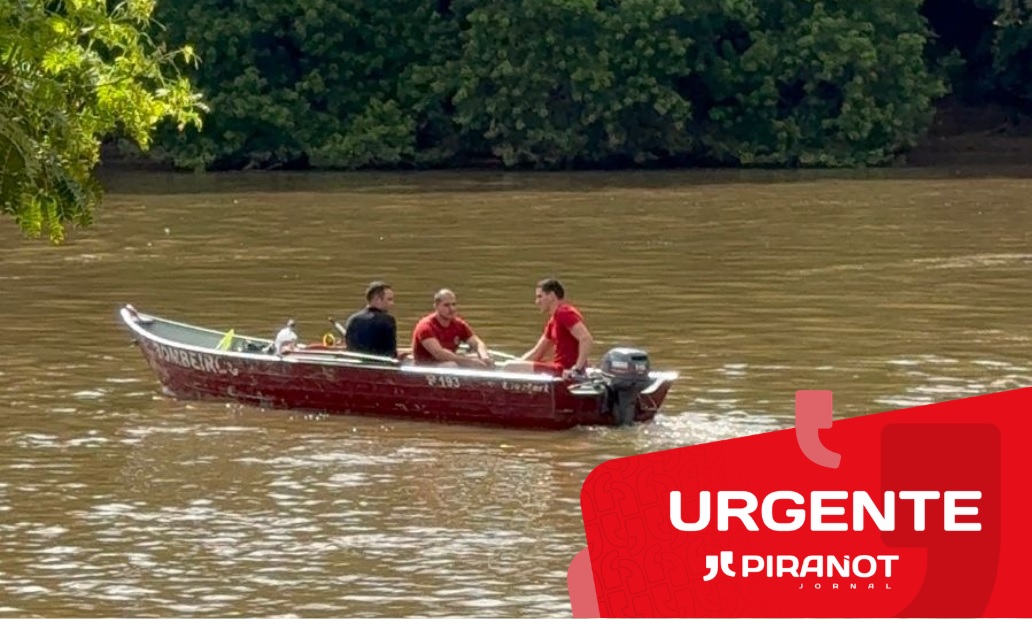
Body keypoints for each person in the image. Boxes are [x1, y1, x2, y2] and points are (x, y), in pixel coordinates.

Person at [517, 278, 593, 379]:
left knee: (510, 367)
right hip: (558, 369)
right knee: (511, 366)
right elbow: (537, 352)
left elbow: (586, 339)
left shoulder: (564, 313)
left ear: (552, 296)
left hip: (564, 371)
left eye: (540, 297)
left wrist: (577, 369)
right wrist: (517, 363)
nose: (537, 302)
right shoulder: (553, 320)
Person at [410, 289, 492, 368]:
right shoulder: (426, 327)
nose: (452, 309)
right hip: (426, 369)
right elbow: (439, 354)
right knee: (451, 365)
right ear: (436, 306)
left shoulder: (458, 324)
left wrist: (484, 356)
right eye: (446, 305)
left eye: (454, 304)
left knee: (485, 357)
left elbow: (476, 343)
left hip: (449, 363)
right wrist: (470, 362)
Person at [342, 281, 398, 358]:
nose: (392, 303)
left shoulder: (353, 319)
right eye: (389, 299)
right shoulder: (387, 321)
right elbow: (391, 351)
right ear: (377, 299)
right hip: (378, 365)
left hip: (354, 363)